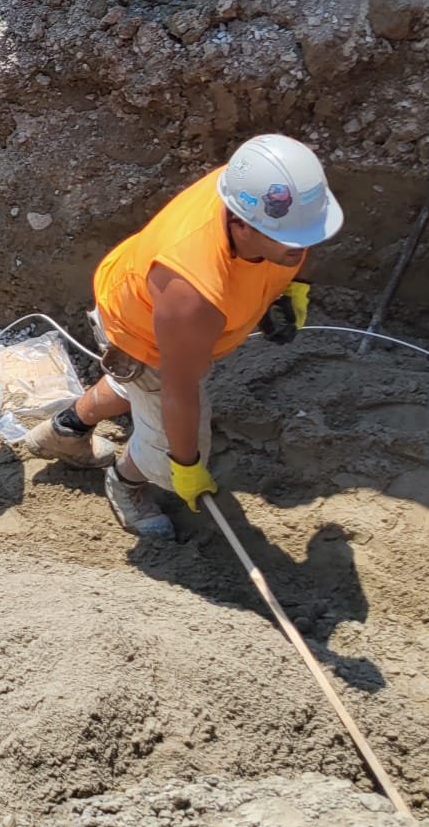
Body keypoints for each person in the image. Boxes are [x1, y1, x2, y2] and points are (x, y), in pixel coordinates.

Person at [24, 135, 343, 540]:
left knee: (136, 388)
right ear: (240, 226)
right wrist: (186, 465)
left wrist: (292, 287)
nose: (305, 245)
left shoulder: (260, 192)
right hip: (146, 336)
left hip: (144, 308)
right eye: (294, 241)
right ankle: (127, 483)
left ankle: (65, 431)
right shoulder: (192, 292)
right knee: (167, 426)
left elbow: (301, 230)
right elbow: (179, 389)